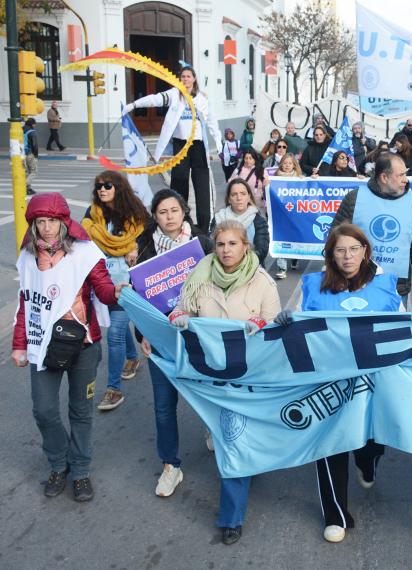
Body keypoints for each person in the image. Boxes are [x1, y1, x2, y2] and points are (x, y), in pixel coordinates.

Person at [275, 224, 401, 544]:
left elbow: (406, 328)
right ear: (330, 254)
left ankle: (368, 462)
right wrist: (284, 320)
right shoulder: (313, 286)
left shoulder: (385, 286)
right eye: (340, 250)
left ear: (365, 251)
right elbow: (294, 320)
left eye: (354, 249)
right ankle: (335, 515)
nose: (348, 256)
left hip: (372, 385)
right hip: (328, 383)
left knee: (369, 444)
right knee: (330, 444)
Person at [170, 220, 281, 545]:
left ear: (245, 246)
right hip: (212, 377)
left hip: (250, 376)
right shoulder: (200, 277)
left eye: (233, 243)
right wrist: (179, 317)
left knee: (235, 443)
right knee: (234, 441)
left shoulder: (262, 281)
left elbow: (276, 326)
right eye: (220, 244)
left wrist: (261, 323)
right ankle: (246, 470)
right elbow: (181, 308)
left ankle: (231, 518)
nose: (226, 250)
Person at [12, 193, 123, 502]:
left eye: (52, 221)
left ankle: (81, 470)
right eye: (40, 221)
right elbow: (26, 304)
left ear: (64, 222)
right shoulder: (28, 257)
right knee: (44, 410)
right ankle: (59, 463)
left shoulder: (84, 253)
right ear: (33, 224)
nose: (46, 228)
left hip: (83, 345)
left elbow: (103, 288)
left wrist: (116, 291)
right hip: (43, 344)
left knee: (81, 411)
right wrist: (19, 345)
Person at [134, 189, 213, 498]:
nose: (169, 217)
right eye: (162, 212)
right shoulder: (144, 248)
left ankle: (214, 430)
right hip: (161, 337)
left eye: (174, 210)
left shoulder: (202, 243)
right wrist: (143, 334)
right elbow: (138, 299)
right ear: (155, 216)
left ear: (184, 211)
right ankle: (170, 465)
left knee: (209, 395)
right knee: (164, 405)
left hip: (200, 334)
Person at [122, 66, 223, 233]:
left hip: (198, 146)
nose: (185, 79)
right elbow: (154, 99)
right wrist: (133, 105)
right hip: (180, 145)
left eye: (188, 76)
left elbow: (212, 122)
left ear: (194, 78)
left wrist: (219, 144)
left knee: (202, 186)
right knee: (179, 183)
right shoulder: (174, 95)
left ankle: (204, 227)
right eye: (183, 76)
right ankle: (182, 222)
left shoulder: (202, 99)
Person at [81, 171, 148, 412]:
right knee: (117, 327)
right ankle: (132, 357)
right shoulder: (92, 215)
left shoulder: (136, 214)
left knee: (115, 333)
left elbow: (148, 239)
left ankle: (113, 389)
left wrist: (136, 246)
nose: (102, 189)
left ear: (118, 188)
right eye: (99, 186)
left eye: (107, 185)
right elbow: (82, 242)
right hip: (102, 283)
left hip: (128, 283)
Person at [332, 153, 412, 310]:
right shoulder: (354, 199)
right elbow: (334, 242)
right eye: (400, 175)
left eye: (405, 174)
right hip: (356, 285)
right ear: (384, 178)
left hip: (396, 288)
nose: (406, 179)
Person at [211, 179, 269, 265]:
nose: (239, 198)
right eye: (234, 194)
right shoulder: (218, 218)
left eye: (243, 194)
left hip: (251, 267)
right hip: (222, 267)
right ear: (229, 199)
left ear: (249, 197)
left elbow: (261, 251)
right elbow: (212, 246)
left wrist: (239, 264)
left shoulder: (258, 221)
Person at [23, 117, 38, 196]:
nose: (35, 126)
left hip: (21, 154)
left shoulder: (20, 129)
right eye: (34, 124)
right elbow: (35, 145)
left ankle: (28, 189)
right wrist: (36, 156)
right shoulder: (32, 132)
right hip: (29, 153)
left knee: (25, 172)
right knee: (33, 171)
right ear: (32, 124)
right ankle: (24, 185)